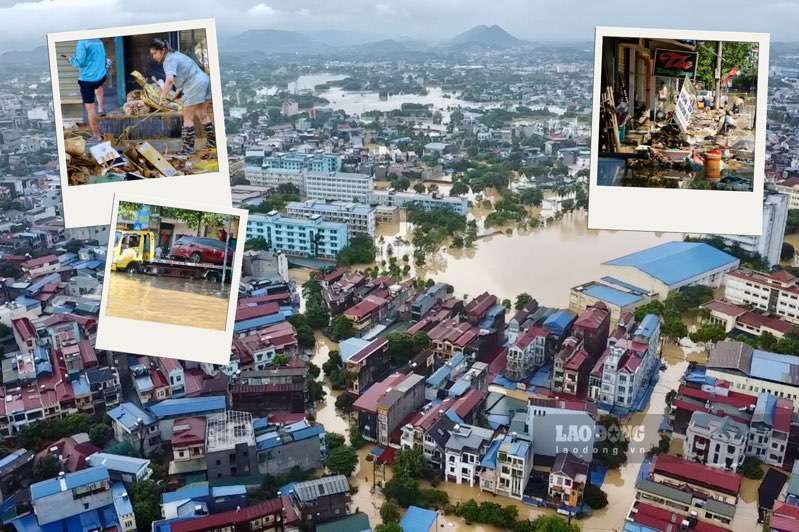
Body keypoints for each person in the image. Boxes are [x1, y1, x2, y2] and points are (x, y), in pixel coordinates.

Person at [149, 38, 215, 155]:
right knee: (202, 115)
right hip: (204, 80)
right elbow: (184, 72)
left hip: (194, 85)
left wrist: (162, 97)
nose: (154, 56)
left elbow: (169, 80)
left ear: (163, 50)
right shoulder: (176, 54)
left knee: (187, 118)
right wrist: (178, 92)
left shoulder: (168, 60)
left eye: (155, 53)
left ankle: (187, 149)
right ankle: (212, 143)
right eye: (152, 54)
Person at [65, 39, 107, 143]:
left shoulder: (82, 43)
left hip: (87, 80)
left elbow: (80, 62)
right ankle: (101, 109)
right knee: (98, 87)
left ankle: (97, 137)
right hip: (101, 76)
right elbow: (104, 58)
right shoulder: (99, 41)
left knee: (90, 109)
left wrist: (69, 59)